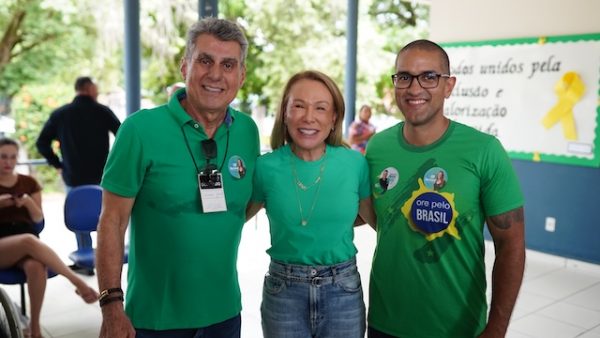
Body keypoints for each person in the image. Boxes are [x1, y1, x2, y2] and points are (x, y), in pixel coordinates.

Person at [95, 18, 260, 338]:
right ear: (184, 66)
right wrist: (111, 306)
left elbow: (245, 203)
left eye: (228, 64)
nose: (215, 74)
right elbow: (111, 221)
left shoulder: (248, 132)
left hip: (225, 316)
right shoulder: (139, 130)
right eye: (205, 60)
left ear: (241, 76)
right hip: (154, 320)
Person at [365, 39, 525, 338]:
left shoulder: (484, 150)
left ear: (448, 86)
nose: (414, 89)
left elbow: (511, 245)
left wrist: (497, 328)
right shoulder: (377, 147)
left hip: (458, 327)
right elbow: (372, 215)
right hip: (384, 323)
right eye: (404, 77)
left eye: (429, 77)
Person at [247, 70, 376, 338]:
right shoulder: (266, 167)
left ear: (334, 118)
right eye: (298, 106)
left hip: (342, 288)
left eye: (320, 108)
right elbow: (233, 219)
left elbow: (373, 219)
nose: (309, 117)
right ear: (284, 113)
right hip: (284, 291)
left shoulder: (355, 164)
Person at [0, 138, 98, 338]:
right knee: (28, 240)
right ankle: (77, 282)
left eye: (12, 157)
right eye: (3, 157)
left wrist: (27, 202)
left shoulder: (29, 183)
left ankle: (34, 328)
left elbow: (38, 221)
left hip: (27, 241)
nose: (7, 162)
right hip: (5, 244)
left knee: (36, 266)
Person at [36, 76, 120, 275]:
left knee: (80, 218)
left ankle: (85, 261)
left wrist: (58, 164)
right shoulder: (102, 111)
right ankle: (106, 260)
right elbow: (123, 136)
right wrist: (115, 163)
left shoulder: (61, 114)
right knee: (106, 217)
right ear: (89, 88)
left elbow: (41, 143)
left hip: (74, 175)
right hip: (103, 176)